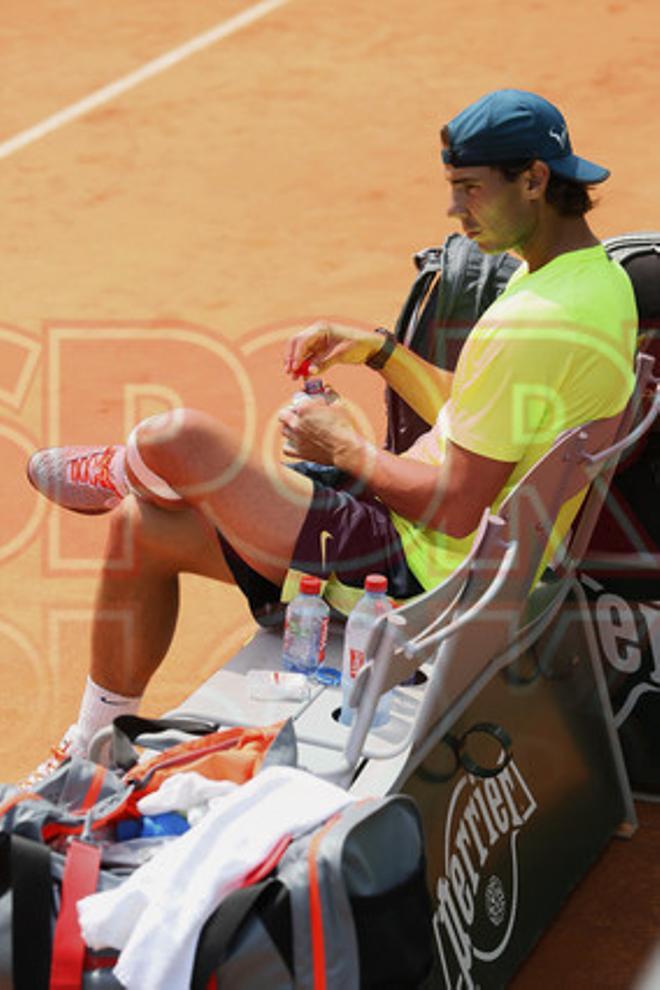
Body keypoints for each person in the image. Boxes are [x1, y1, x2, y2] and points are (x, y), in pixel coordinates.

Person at [23, 89, 637, 782]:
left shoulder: (531, 321)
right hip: (447, 550)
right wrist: (380, 351)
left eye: (469, 189)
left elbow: (459, 505)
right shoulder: (595, 281)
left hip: (413, 573)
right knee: (142, 531)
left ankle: (122, 469)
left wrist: (344, 450)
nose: (454, 210)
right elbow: (476, 415)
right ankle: (92, 749)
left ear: (535, 179)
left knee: (183, 439)